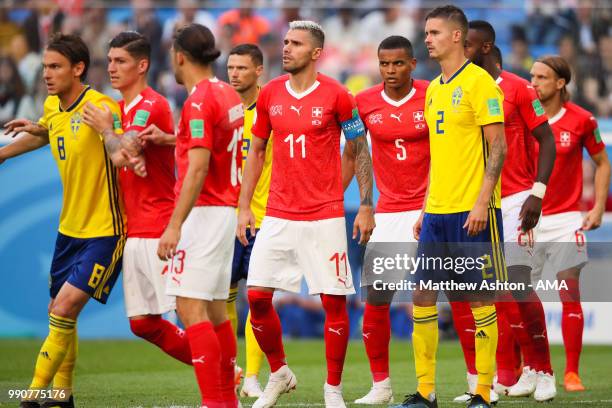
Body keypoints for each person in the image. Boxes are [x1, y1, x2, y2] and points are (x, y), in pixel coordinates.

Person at [0, 33, 144, 408]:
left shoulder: (101, 107)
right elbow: (49, 133)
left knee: (63, 309)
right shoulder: (52, 106)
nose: (46, 74)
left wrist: (114, 136)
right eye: (45, 66)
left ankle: (31, 396)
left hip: (106, 230)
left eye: (55, 67)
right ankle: (62, 397)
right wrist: (5, 154)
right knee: (59, 313)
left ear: (78, 69)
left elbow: (122, 150)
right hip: (69, 230)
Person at [237, 20, 375, 408]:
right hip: (278, 213)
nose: (286, 48)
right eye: (285, 42)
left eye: (296, 43)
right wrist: (244, 206)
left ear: (316, 53)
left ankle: (333, 388)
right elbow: (258, 152)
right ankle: (279, 373)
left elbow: (359, 149)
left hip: (324, 217)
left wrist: (364, 203)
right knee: (258, 297)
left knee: (334, 302)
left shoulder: (338, 95)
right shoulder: (270, 95)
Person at [396, 6, 507, 408]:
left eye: (435, 32)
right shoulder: (435, 90)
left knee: (480, 298)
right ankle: (426, 391)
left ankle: (483, 392)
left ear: (457, 37)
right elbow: (440, 157)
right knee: (422, 296)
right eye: (426, 32)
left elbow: (498, 147)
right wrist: (426, 207)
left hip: (473, 211)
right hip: (437, 212)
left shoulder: (480, 84)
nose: (427, 39)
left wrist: (482, 201)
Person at [452, 20, 559, 403]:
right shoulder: (460, 89)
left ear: (484, 47)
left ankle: (544, 371)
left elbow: (546, 140)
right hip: (476, 199)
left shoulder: (517, 88)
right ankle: (509, 375)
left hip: (515, 198)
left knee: (518, 283)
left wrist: (537, 192)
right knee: (488, 291)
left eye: (466, 45)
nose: (460, 51)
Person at [80, 31, 194, 366]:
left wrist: (107, 133)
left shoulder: (152, 105)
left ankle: (222, 386)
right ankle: (226, 370)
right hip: (134, 229)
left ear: (142, 65)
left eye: (121, 61)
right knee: (142, 322)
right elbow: (123, 153)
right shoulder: (115, 109)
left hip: (160, 227)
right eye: (110, 60)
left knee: (190, 313)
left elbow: (122, 153)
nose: (112, 68)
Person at [158, 23, 243, 408]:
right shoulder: (228, 92)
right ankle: (227, 400)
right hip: (224, 208)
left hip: (205, 211)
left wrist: (174, 225)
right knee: (213, 310)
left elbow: (197, 167)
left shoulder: (196, 101)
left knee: (189, 307)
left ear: (179, 56)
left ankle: (215, 401)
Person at [347, 35, 430, 405]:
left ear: (412, 64)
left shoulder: (432, 94)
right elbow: (354, 152)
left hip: (434, 207)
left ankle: (478, 382)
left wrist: (434, 203)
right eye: (384, 64)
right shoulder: (362, 103)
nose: (390, 70)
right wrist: (341, 198)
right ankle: (381, 385)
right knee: (376, 299)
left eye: (398, 63)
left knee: (453, 297)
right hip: (389, 211)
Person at [529, 55, 610, 393]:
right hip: (526, 220)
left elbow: (602, 163)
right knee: (519, 297)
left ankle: (572, 372)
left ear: (561, 83)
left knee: (569, 294)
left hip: (565, 220)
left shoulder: (581, 120)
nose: (533, 83)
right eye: (532, 76)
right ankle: (526, 366)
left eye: (542, 77)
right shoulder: (523, 116)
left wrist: (598, 207)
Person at [226, 43, 269, 399]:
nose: (234, 73)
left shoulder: (269, 110)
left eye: (241, 67)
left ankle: (253, 375)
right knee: (224, 295)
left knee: (256, 297)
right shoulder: (222, 112)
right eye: (230, 67)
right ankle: (230, 369)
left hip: (263, 217)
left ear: (258, 71)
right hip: (224, 218)